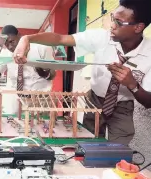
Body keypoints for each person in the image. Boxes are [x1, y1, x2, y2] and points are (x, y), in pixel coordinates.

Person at [12, 0, 151, 145]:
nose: (112, 25)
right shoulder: (102, 38)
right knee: (90, 144)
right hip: (95, 100)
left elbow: (148, 102)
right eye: (112, 18)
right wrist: (27, 39)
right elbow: (60, 38)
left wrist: (132, 84)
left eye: (119, 22)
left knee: (119, 150)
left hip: (123, 105)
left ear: (138, 27)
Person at [0, 25, 56, 113]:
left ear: (20, 36)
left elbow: (53, 74)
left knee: (42, 125)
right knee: (17, 125)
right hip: (18, 100)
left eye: (12, 41)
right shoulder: (6, 53)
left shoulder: (42, 47)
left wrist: (43, 72)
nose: (10, 46)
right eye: (6, 44)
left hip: (41, 99)